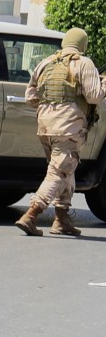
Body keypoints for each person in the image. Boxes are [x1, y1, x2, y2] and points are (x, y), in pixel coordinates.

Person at [17, 26, 103, 237]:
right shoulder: (84, 63)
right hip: (68, 127)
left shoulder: (46, 63)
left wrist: (51, 106)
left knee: (65, 169)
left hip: (45, 126)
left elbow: (30, 97)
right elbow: (94, 96)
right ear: (83, 44)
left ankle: (61, 219)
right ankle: (31, 214)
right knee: (59, 172)